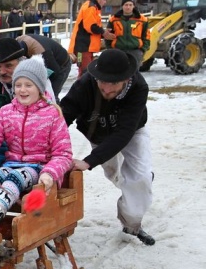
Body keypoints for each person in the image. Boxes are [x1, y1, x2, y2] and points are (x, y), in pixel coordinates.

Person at [0, 55, 73, 231]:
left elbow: (63, 154)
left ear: (40, 88)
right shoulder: (7, 112)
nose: (22, 90)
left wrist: (50, 173)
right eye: (18, 85)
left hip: (38, 167)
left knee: (14, 179)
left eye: (28, 85)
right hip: (12, 164)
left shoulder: (51, 115)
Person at [60, 48, 155, 245]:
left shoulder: (138, 86)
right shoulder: (84, 84)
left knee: (140, 178)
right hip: (98, 134)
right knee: (115, 175)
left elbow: (124, 133)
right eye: (103, 83)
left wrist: (88, 161)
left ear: (126, 79)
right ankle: (134, 182)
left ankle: (132, 225)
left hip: (132, 132)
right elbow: (63, 117)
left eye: (114, 85)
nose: (107, 89)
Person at [0, 35, 71, 108]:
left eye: (8, 66)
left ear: (20, 63)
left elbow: (51, 112)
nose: (2, 72)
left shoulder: (38, 77)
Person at [69, 0, 115, 78]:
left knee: (84, 70)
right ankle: (82, 90)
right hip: (83, 47)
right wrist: (104, 33)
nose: (105, 2)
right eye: (105, 0)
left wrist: (103, 33)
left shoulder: (93, 7)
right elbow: (91, 26)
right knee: (85, 71)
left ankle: (82, 89)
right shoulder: (91, 7)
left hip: (84, 47)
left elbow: (93, 27)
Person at [107, 0, 150, 67]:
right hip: (118, 51)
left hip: (135, 52)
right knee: (119, 73)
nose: (128, 7)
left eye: (130, 5)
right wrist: (110, 49)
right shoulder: (114, 20)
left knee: (134, 74)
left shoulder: (142, 20)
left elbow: (147, 36)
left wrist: (142, 50)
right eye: (126, 5)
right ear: (122, 6)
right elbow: (107, 35)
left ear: (133, 6)